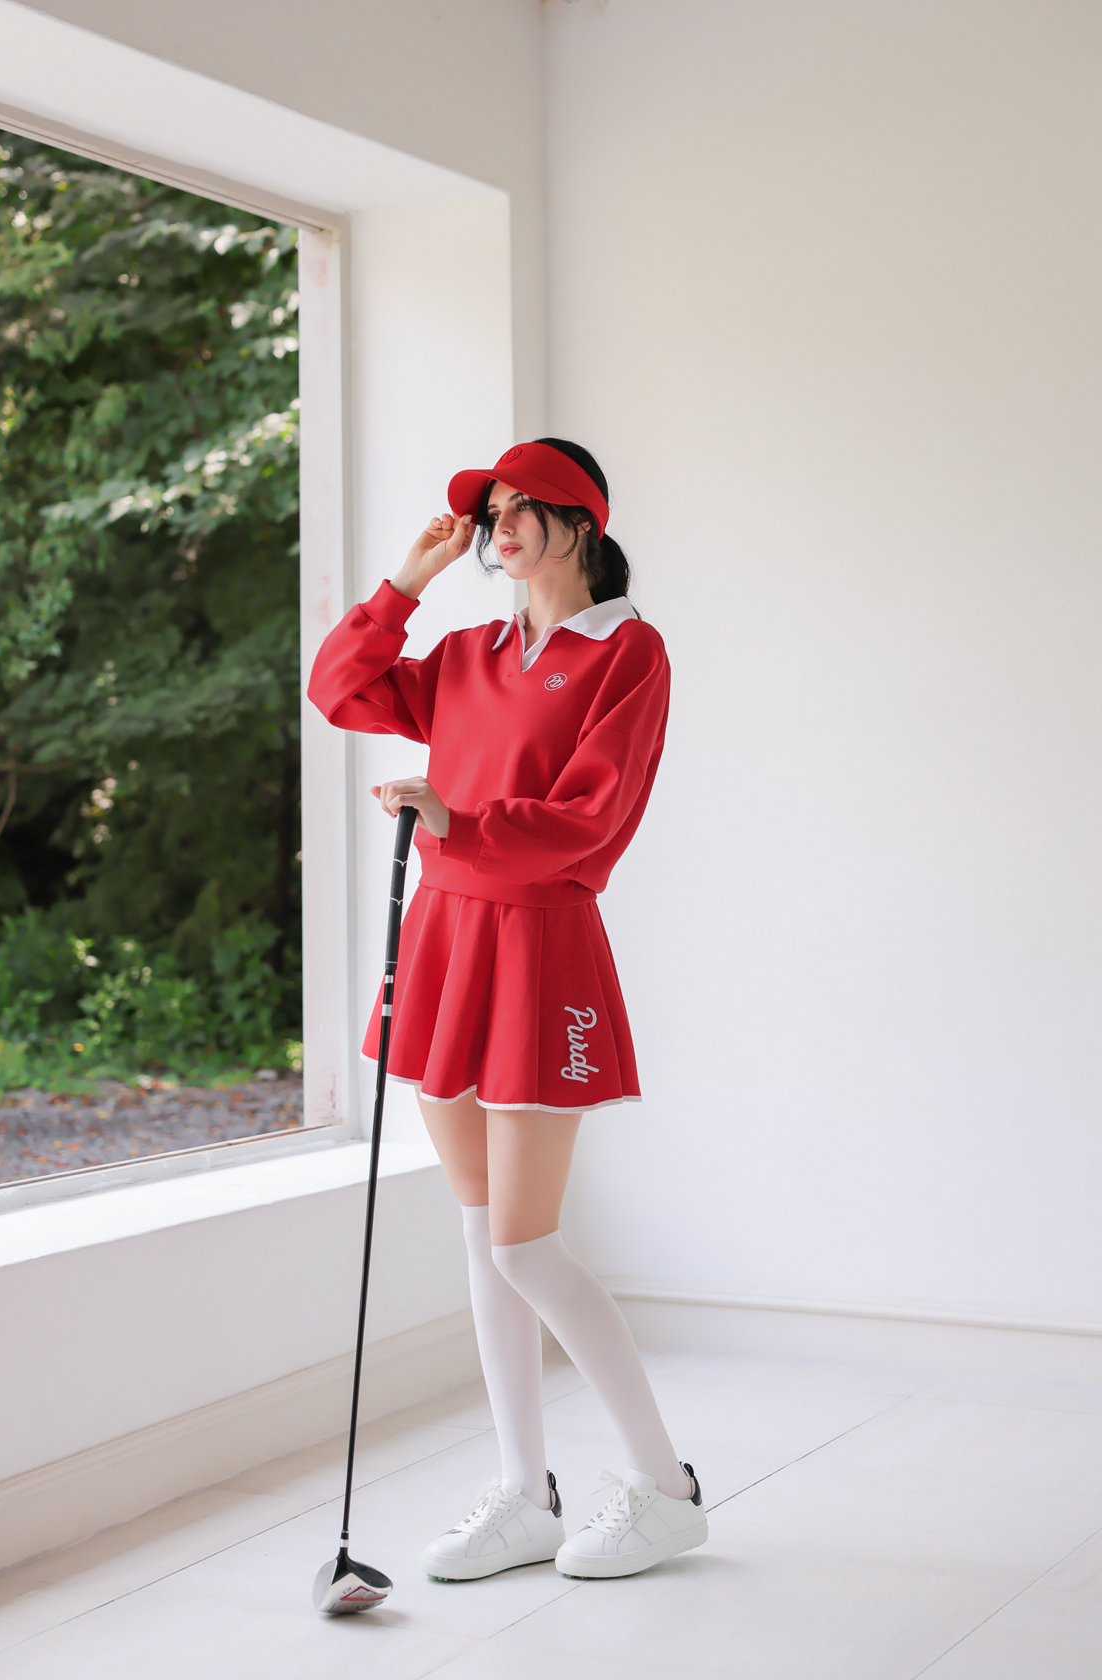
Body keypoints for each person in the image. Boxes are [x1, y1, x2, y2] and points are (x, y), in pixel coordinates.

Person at [307, 438, 707, 1581]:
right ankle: (526, 1494)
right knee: (483, 1234)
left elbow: (591, 818)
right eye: (493, 511)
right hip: (444, 942)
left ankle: (665, 1487)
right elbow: (339, 689)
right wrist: (407, 580)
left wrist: (456, 821)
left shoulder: (627, 652)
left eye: (527, 505)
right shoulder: (467, 652)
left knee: (525, 1244)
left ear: (582, 522)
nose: (501, 525)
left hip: (537, 944)